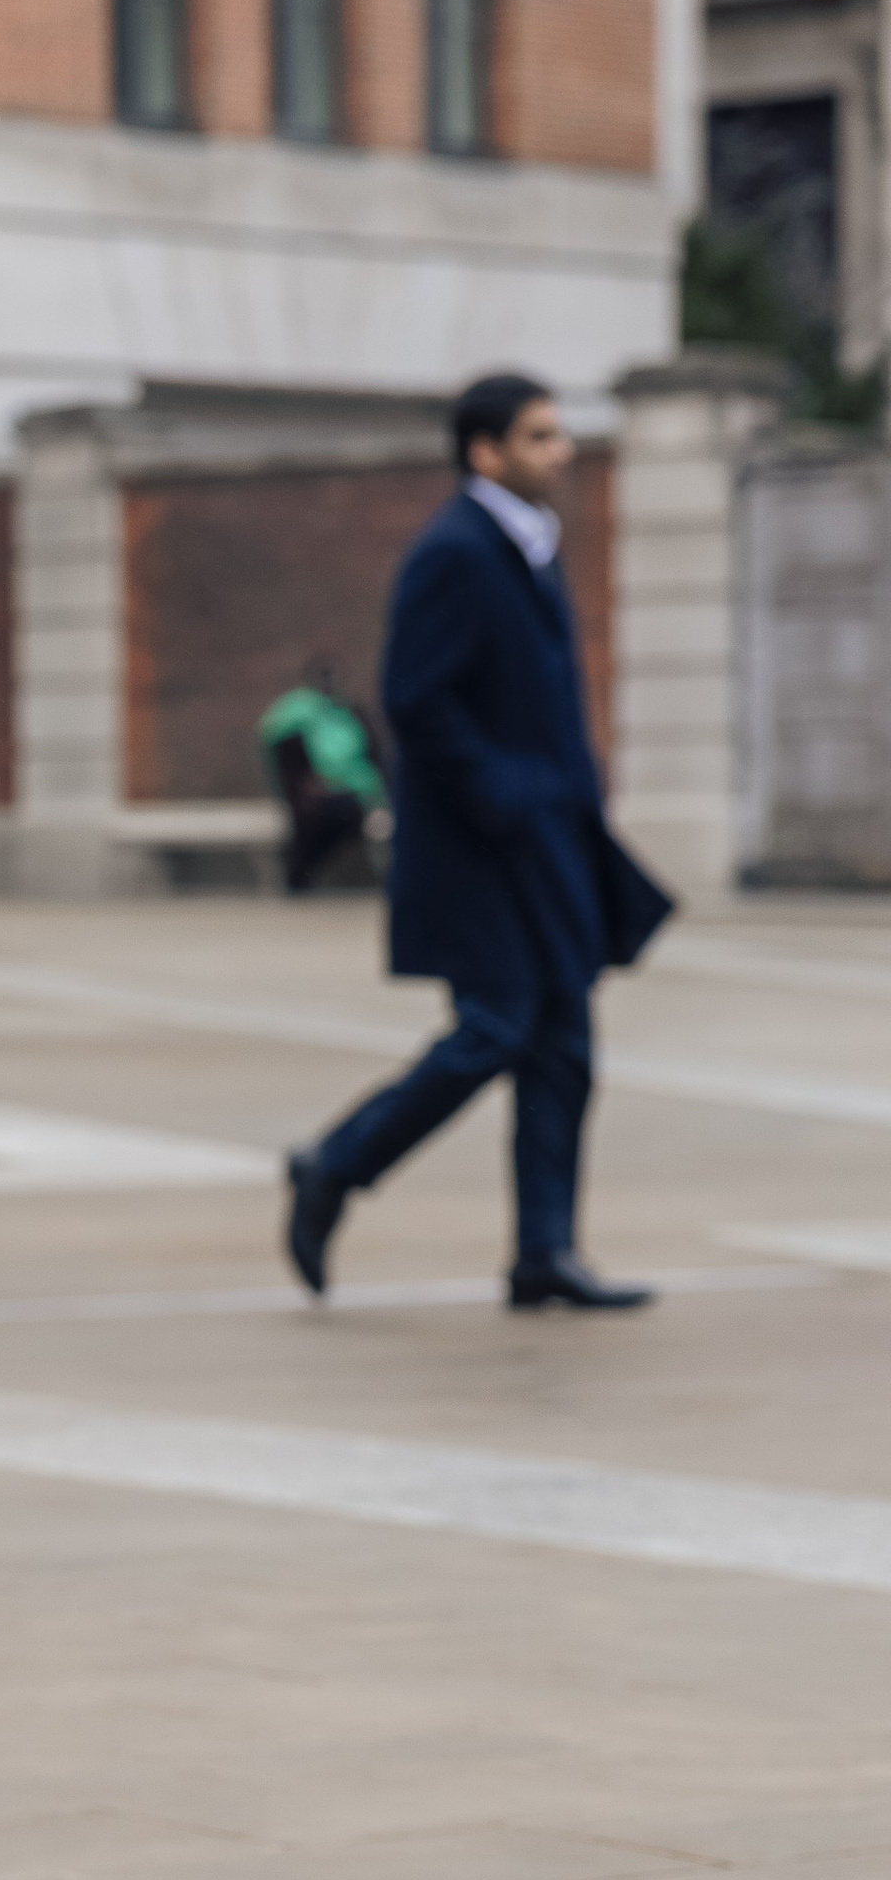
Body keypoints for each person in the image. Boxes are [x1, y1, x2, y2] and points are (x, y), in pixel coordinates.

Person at [284, 373, 673, 1309]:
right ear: (484, 453)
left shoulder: (528, 546)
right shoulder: (455, 552)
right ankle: (334, 1164)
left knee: (563, 1044)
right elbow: (416, 696)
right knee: (495, 1031)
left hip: (551, 840)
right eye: (540, 437)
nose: (561, 452)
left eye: (559, 434)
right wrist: (502, 796)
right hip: (487, 850)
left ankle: (544, 1252)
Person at [259, 661, 386, 893]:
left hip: (350, 793)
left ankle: (300, 877)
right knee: (318, 820)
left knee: (344, 813)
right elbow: (285, 766)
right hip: (309, 798)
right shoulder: (292, 718)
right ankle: (299, 878)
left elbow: (375, 754)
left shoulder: (350, 713)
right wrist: (309, 786)